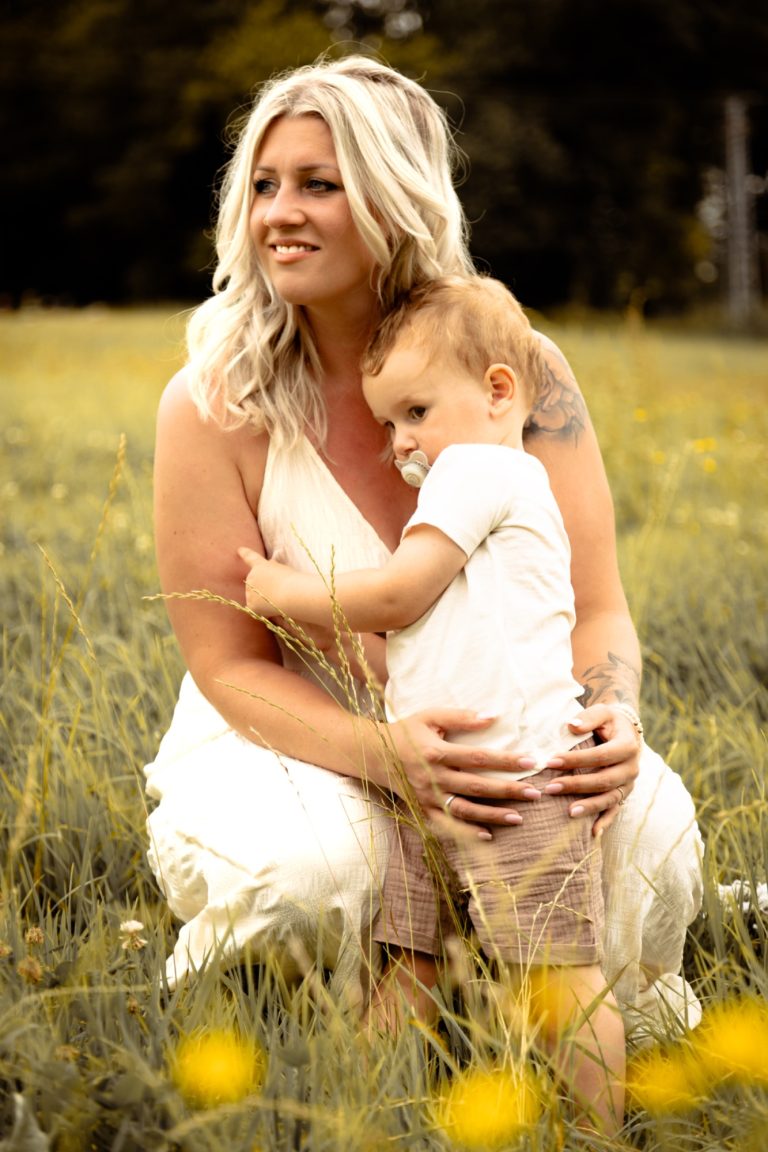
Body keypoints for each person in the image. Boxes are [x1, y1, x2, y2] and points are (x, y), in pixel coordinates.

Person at [144, 54, 702, 1039]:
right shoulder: (210, 400)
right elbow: (227, 662)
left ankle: (539, 1008)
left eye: (320, 183)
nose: (279, 211)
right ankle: (354, 1025)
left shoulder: (516, 369)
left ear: (397, 196)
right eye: (265, 185)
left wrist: (609, 714)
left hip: (506, 721)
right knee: (323, 877)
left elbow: (598, 601)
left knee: (644, 833)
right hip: (305, 734)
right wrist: (390, 756)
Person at [239, 274, 626, 1129]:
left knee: (557, 973)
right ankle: (367, 1117)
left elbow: (396, 598)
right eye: (386, 423)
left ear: (497, 393)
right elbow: (427, 637)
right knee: (408, 961)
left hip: (520, 779)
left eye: (416, 413)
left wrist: (279, 592)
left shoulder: (480, 470)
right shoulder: (475, 484)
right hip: (444, 779)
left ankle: (599, 1133)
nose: (399, 443)